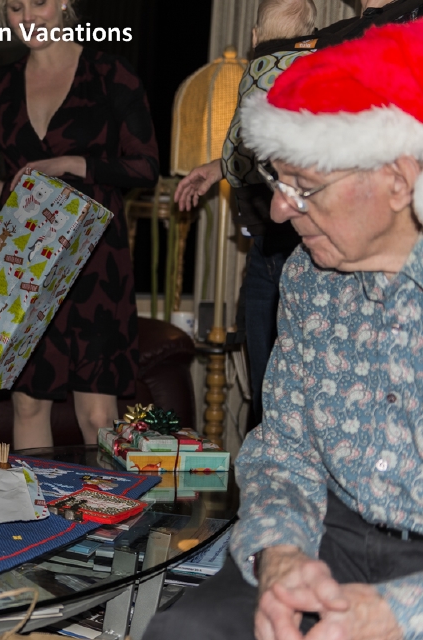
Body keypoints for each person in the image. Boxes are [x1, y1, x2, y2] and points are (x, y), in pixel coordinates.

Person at [148, 19, 423, 639]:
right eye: (278, 181)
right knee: (186, 631)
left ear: (399, 179)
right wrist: (281, 556)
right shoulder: (308, 277)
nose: (277, 210)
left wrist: (397, 615)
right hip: (330, 534)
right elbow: (284, 451)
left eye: (304, 187)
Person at [0, 0, 159, 449]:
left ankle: (108, 498)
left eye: (39, 2)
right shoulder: (0, 83)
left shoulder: (111, 72)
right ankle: (35, 498)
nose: (28, 17)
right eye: (15, 7)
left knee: (97, 414)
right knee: (28, 405)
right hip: (26, 254)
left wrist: (68, 163)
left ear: (64, 3)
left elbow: (146, 167)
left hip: (96, 258)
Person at [175, 0, 317, 426]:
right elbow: (258, 148)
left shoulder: (262, 71)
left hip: (297, 249)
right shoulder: (304, 69)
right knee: (268, 386)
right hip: (266, 248)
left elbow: (249, 148)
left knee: (282, 389)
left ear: (254, 37)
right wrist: (215, 168)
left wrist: (227, 164)